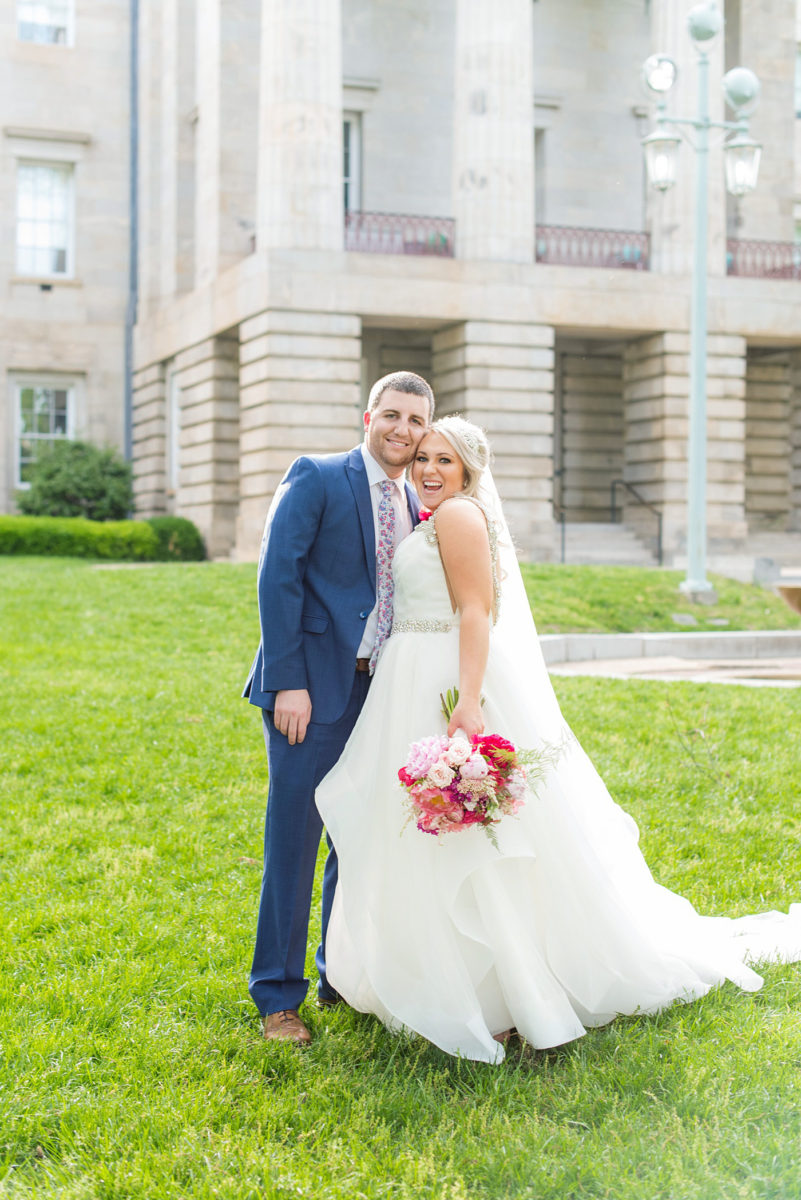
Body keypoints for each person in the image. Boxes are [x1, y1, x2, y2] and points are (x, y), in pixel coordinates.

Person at [316, 416, 801, 1064]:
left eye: (446, 461)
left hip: (440, 680)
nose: (429, 469)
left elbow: (474, 611)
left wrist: (464, 702)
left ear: (467, 474)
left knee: (473, 845)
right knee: (429, 838)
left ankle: (501, 997)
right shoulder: (432, 518)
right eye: (424, 457)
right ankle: (447, 982)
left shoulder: (457, 518)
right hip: (407, 678)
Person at [242, 371, 434, 1044]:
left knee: (355, 841)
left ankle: (336, 975)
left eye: (415, 420)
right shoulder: (318, 476)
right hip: (310, 690)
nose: (402, 430)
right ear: (367, 417)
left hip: (378, 693)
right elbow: (278, 576)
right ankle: (277, 996)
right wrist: (289, 681)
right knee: (295, 841)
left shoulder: (418, 501)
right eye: (391, 415)